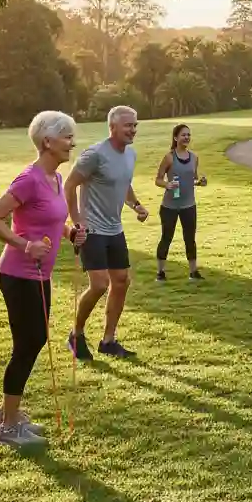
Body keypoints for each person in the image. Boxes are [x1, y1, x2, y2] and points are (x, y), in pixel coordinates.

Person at [0, 111, 87, 448]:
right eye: (67, 137)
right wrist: (25, 245)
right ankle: (8, 426)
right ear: (47, 142)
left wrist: (70, 233)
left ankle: (7, 414)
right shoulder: (29, 178)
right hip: (17, 274)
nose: (73, 142)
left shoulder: (55, 179)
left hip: (39, 275)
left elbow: (50, 220)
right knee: (28, 344)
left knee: (33, 341)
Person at [64, 105, 149, 361]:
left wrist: (136, 204)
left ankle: (108, 341)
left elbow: (123, 182)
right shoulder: (95, 155)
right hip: (92, 228)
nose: (133, 130)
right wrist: (77, 221)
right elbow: (69, 185)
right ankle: (76, 334)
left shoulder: (130, 155)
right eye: (127, 125)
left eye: (135, 125)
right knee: (100, 284)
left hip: (115, 228)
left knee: (121, 281)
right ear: (112, 127)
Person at [154, 123, 207, 282]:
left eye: (189, 135)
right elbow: (158, 179)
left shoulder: (194, 157)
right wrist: (167, 184)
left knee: (190, 238)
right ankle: (160, 273)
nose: (187, 138)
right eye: (183, 135)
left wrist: (200, 182)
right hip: (169, 207)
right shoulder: (169, 157)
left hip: (189, 206)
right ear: (176, 138)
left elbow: (193, 178)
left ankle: (193, 272)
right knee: (166, 237)